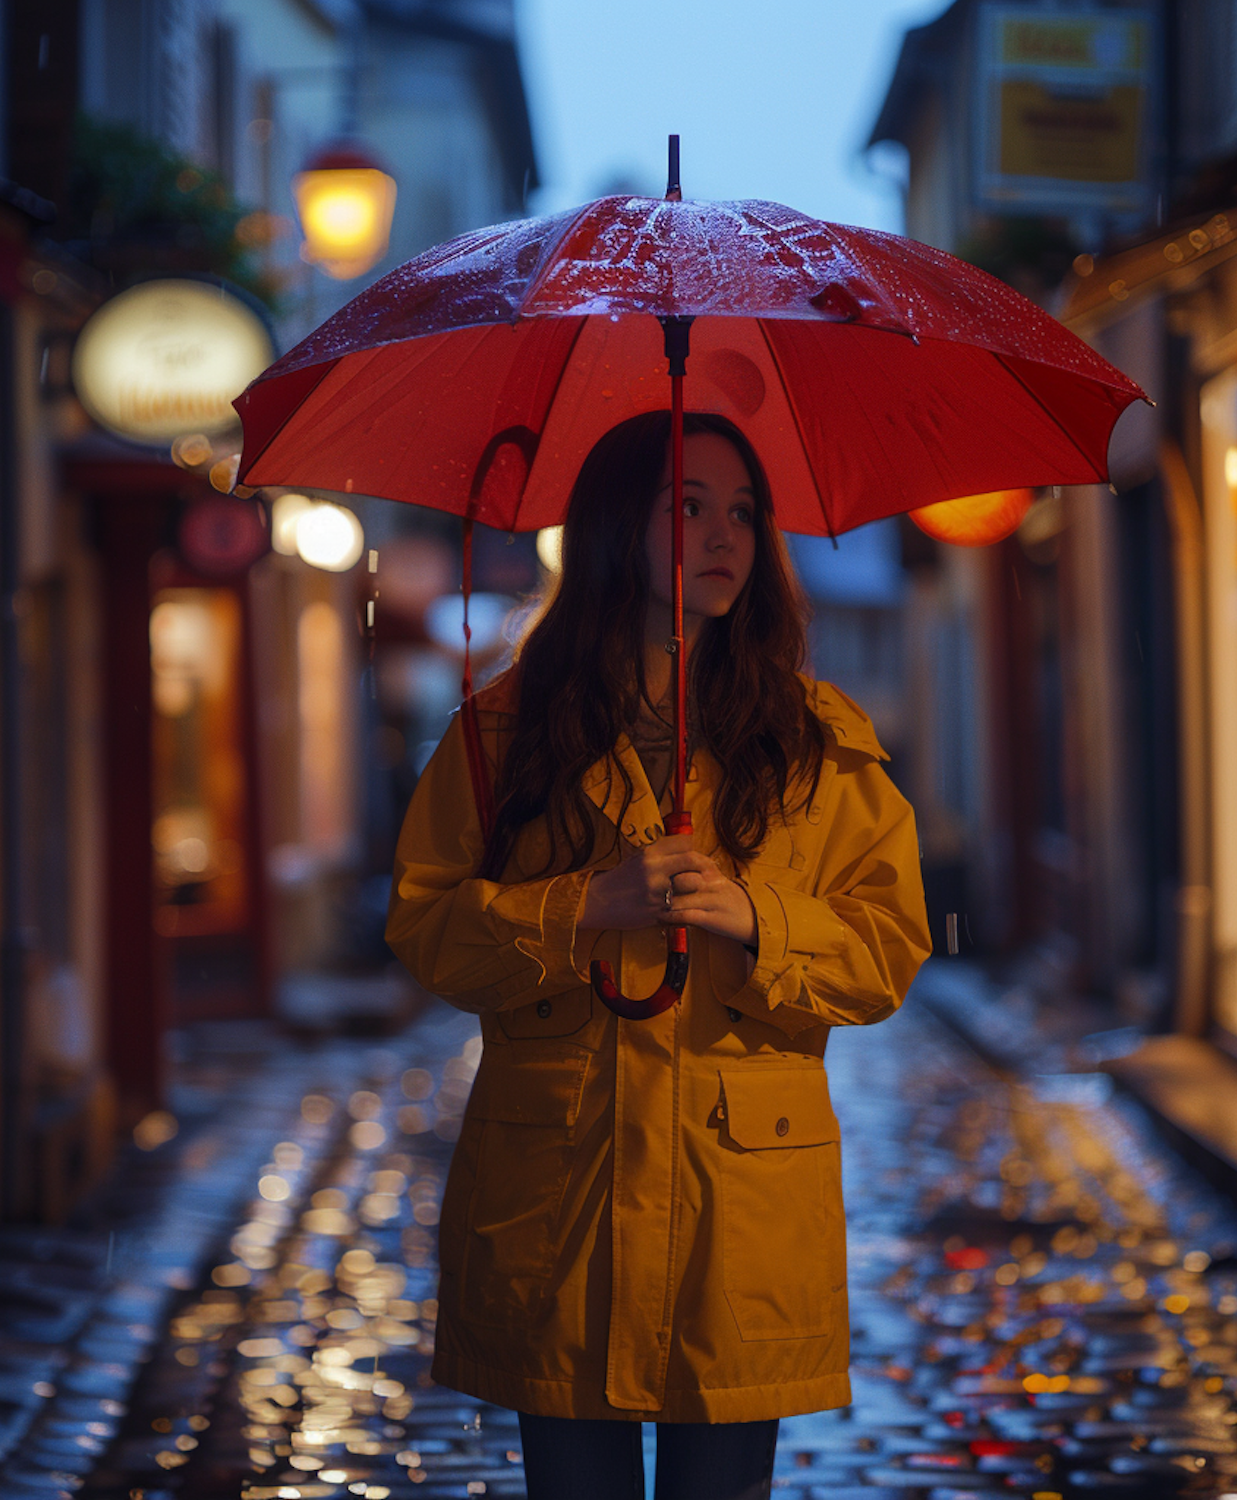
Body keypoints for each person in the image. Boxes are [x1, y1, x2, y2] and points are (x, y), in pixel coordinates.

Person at [386, 411, 931, 1500]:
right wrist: (584, 905)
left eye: (741, 512)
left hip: (742, 1207)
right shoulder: (501, 740)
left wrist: (755, 915)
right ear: (608, 528)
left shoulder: (820, 747)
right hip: (560, 1197)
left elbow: (885, 950)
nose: (721, 536)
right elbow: (429, 933)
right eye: (686, 507)